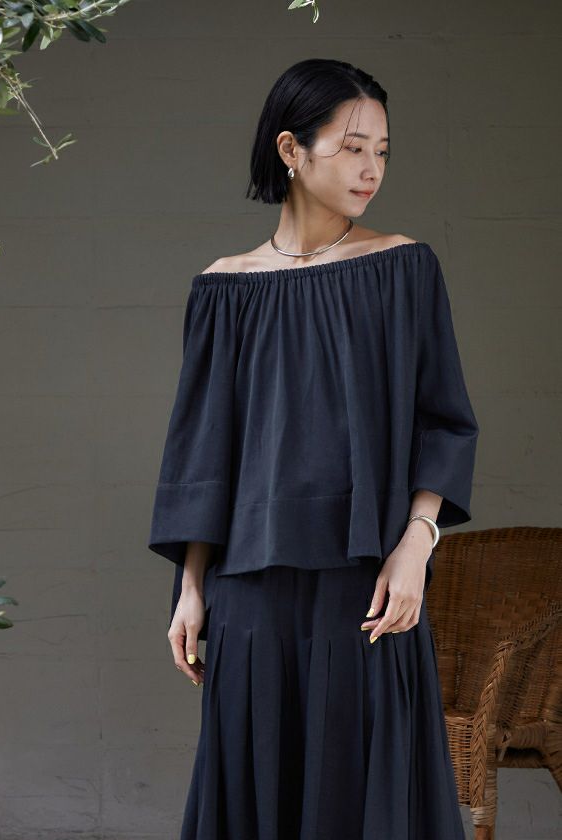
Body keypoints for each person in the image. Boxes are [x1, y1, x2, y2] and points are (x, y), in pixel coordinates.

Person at [148, 58, 479, 840]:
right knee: (257, 797)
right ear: (291, 149)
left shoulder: (403, 268)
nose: (372, 169)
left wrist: (416, 547)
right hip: (248, 593)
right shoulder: (224, 289)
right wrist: (190, 589)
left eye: (383, 151)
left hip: (366, 587)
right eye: (353, 148)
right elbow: (202, 453)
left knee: (364, 797)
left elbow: (445, 420)